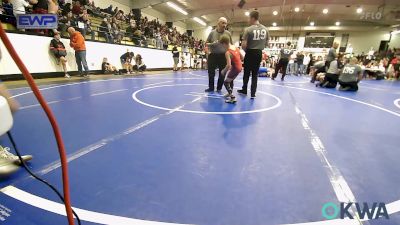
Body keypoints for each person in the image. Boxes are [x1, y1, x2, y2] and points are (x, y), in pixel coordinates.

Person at [237, 11, 268, 99]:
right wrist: (259, 47)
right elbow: (267, 43)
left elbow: (243, 45)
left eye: (249, 18)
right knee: (255, 74)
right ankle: (253, 93)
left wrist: (248, 51)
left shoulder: (249, 29)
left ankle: (244, 90)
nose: (248, 20)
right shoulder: (265, 29)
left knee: (246, 73)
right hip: (259, 53)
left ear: (252, 18)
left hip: (250, 52)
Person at [205, 17, 232, 93]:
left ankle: (219, 88)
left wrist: (230, 58)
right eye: (223, 23)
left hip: (223, 56)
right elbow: (206, 44)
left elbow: (231, 45)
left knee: (222, 73)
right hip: (213, 55)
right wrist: (211, 47)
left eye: (225, 23)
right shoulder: (212, 33)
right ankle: (211, 88)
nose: (224, 25)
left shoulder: (228, 33)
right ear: (218, 23)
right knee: (211, 72)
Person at [219, 35, 243, 103]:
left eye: (222, 45)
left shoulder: (227, 52)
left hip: (235, 68)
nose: (222, 47)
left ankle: (232, 97)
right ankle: (229, 93)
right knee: (230, 80)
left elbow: (228, 65)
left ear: (224, 43)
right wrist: (236, 62)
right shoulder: (236, 48)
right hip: (239, 67)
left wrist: (223, 71)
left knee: (226, 82)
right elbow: (242, 57)